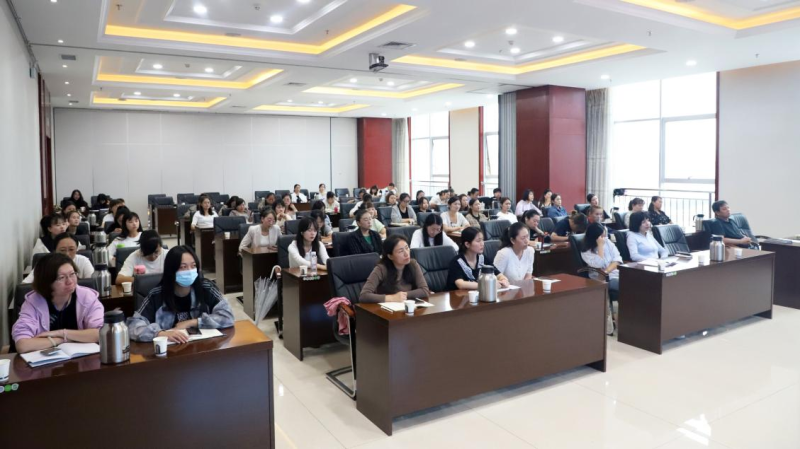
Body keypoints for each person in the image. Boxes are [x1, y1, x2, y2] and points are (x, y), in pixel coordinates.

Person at [128, 246, 235, 343]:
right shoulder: (157, 295)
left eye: (193, 266)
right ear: (171, 270)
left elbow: (227, 317)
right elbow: (133, 326)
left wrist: (193, 322)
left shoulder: (206, 288)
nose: (190, 271)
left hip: (202, 349)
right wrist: (161, 333)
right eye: (183, 267)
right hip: (169, 352)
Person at [12, 253, 104, 353]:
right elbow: (23, 345)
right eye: (61, 278)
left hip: (82, 357)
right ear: (46, 282)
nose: (70, 281)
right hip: (45, 360)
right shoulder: (33, 302)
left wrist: (61, 333)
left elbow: (100, 333)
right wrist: (62, 340)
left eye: (72, 274)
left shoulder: (87, 297)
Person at [359, 235, 431, 303]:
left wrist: (403, 295)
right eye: (401, 251)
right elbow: (364, 296)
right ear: (390, 256)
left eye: (407, 248)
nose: (406, 254)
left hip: (406, 306)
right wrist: (392, 298)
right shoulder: (381, 269)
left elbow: (424, 290)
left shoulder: (413, 264)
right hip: (385, 309)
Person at [581, 222, 622, 335]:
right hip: (599, 278)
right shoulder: (586, 251)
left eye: (604, 235)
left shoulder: (607, 242)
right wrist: (600, 246)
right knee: (624, 285)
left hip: (612, 273)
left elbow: (617, 259)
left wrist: (607, 271)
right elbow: (599, 264)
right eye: (601, 236)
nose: (604, 238)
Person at [23, 233, 94, 284]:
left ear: (77, 249)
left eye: (71, 249)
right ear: (54, 251)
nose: (67, 254)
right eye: (62, 250)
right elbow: (25, 285)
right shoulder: (44, 264)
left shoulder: (83, 261)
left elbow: (92, 283)